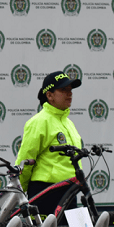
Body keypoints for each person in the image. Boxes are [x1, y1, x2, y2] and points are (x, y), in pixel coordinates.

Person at [15, 71, 82, 217]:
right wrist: (20, 192)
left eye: (70, 90)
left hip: (70, 190)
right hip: (46, 192)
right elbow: (25, 160)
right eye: (63, 90)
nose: (69, 94)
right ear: (49, 95)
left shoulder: (69, 123)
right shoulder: (39, 122)